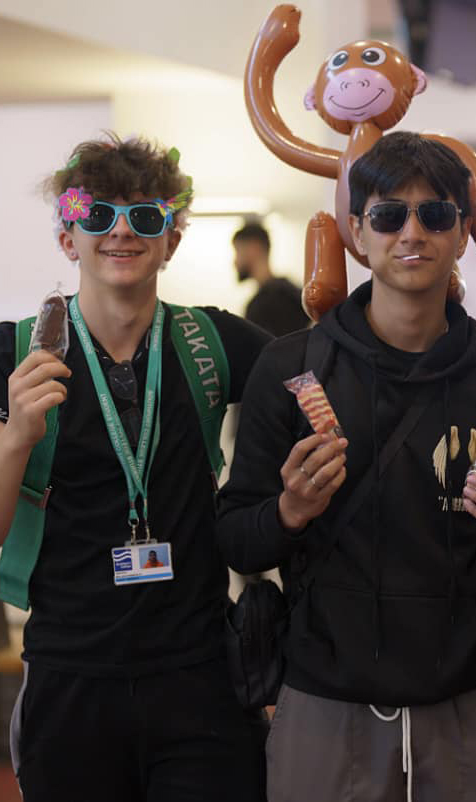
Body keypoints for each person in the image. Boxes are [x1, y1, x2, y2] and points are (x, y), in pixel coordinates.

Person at [217, 131, 476, 802]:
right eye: (389, 215)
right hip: (325, 701)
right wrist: (289, 511)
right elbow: (236, 537)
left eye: (436, 214)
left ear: (462, 233)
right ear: (357, 234)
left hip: (470, 700)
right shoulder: (292, 367)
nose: (412, 233)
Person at [0, 134, 271, 802]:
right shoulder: (13, 354)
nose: (121, 231)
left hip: (200, 674)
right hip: (70, 675)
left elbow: (326, 370)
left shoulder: (215, 341)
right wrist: (14, 442)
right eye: (97, 215)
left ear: (170, 241)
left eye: (145, 217)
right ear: (68, 239)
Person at [232, 221, 309, 336]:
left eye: (238, 251)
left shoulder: (267, 303)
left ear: (254, 249)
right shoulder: (291, 292)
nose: (235, 262)